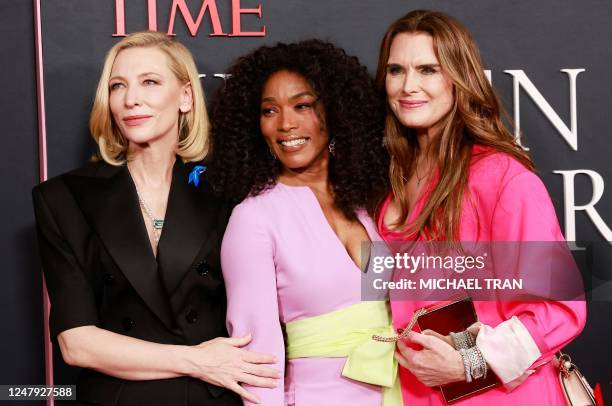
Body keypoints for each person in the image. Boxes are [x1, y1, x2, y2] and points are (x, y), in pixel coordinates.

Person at [32, 31, 279, 406]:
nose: (131, 99)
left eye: (149, 82)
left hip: (212, 399)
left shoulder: (230, 190)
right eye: (118, 86)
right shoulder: (63, 198)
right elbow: (76, 343)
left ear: (185, 96)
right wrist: (197, 360)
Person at [374, 10, 586, 405]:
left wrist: (470, 362)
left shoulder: (501, 177)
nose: (408, 86)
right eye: (396, 70)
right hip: (413, 395)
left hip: (500, 396)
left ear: (460, 77)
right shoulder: (391, 184)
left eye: (428, 70)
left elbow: (561, 308)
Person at [208, 40, 396, 405]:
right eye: (269, 111)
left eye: (303, 105)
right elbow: (257, 360)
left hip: (400, 394)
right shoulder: (254, 218)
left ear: (336, 111)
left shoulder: (370, 204)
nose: (286, 124)